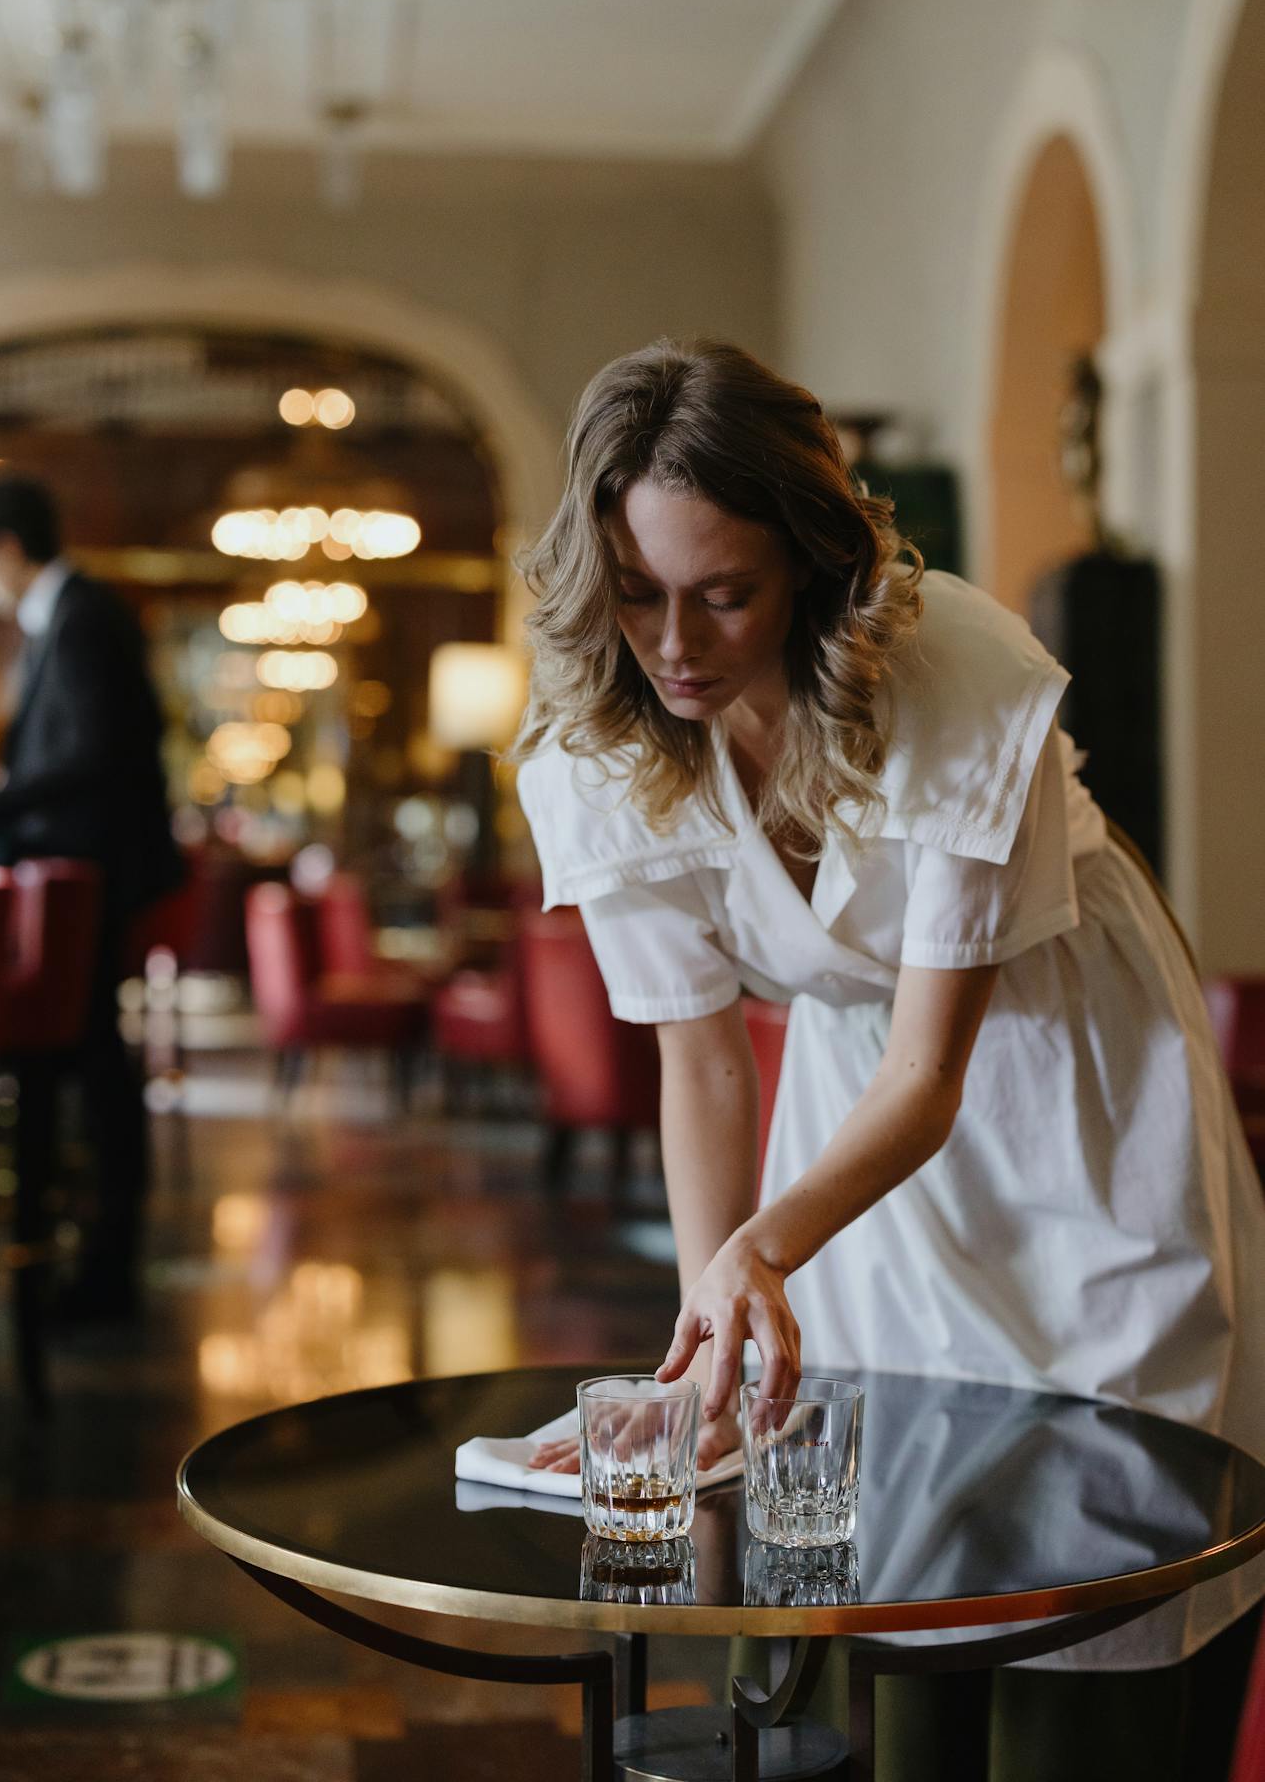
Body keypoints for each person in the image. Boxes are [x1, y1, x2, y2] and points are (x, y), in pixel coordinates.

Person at [513, 341, 1265, 1712]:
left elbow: (936, 1074)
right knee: (873, 1497)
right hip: (847, 1097)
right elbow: (701, 1060)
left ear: (809, 563)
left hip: (1065, 1074)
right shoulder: (598, 743)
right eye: (635, 594)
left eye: (723, 594)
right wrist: (711, 1331)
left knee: (1102, 1486)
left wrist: (765, 1245)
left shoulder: (956, 673)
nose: (674, 647)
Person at [0, 475, 181, 1320]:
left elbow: (90, 759)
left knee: (96, 1067)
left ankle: (101, 1266)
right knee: (92, 1065)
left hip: (93, 880)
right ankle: (75, 1256)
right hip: (88, 874)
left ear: (4, 549)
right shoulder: (71, 617)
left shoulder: (83, 616)